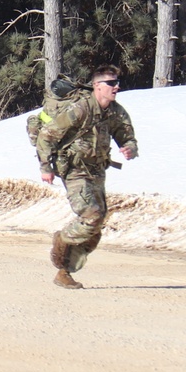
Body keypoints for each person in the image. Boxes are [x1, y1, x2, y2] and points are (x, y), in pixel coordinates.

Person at [38, 65, 139, 289]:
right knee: (91, 215)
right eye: (111, 83)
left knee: (96, 225)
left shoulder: (116, 111)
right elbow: (46, 136)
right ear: (97, 86)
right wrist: (46, 167)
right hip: (73, 169)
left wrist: (130, 148)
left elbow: (127, 136)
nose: (116, 87)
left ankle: (65, 271)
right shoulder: (80, 109)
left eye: (117, 82)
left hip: (97, 170)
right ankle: (62, 240)